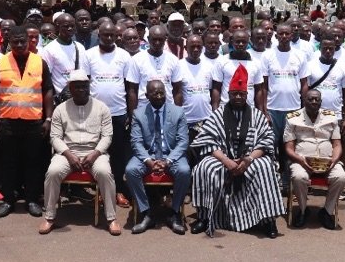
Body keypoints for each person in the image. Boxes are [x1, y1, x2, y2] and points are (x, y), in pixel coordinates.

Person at [190, 65, 283, 238]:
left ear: (247, 95)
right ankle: (204, 216)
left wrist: (248, 159)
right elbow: (205, 140)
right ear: (229, 95)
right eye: (235, 94)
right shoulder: (217, 114)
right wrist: (227, 161)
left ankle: (268, 220)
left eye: (241, 94)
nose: (238, 97)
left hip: (250, 159)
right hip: (223, 159)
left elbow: (267, 140)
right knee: (204, 167)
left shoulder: (257, 115)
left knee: (265, 167)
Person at [40, 70, 117, 235]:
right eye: (77, 87)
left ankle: (111, 218)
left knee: (105, 172)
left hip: (95, 152)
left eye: (84, 86)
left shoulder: (102, 108)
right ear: (70, 88)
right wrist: (68, 154)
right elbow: (55, 137)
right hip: (68, 152)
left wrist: (95, 153)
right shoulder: (60, 109)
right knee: (52, 172)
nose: (82, 90)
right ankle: (49, 217)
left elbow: (107, 136)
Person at [0, 26, 52, 218]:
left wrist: (48, 119)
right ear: (9, 43)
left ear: (29, 42)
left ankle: (32, 200)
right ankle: (9, 200)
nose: (18, 45)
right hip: (8, 122)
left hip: (33, 121)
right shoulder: (0, 64)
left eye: (22, 41)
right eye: (15, 41)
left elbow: (48, 91)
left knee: (32, 162)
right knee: (8, 163)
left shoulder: (40, 63)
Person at [126, 80, 190, 235]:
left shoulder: (178, 112)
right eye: (155, 93)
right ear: (147, 95)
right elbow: (136, 142)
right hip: (148, 154)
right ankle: (147, 213)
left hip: (170, 154)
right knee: (131, 170)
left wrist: (168, 161)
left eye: (162, 92)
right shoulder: (139, 114)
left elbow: (183, 141)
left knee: (184, 170)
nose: (160, 96)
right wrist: (148, 161)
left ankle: (174, 213)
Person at [82, 21, 133, 208]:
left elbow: (129, 86)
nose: (110, 38)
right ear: (99, 35)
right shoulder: (89, 55)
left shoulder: (124, 56)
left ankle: (118, 189)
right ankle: (101, 192)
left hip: (118, 113)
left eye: (113, 35)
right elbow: (85, 84)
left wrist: (129, 112)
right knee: (97, 153)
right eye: (105, 35)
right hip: (95, 113)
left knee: (118, 154)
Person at [283, 89, 345, 229]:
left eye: (316, 99)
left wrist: (334, 160)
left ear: (321, 101)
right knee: (298, 177)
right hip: (302, 161)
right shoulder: (293, 118)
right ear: (304, 100)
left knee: (341, 177)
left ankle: (327, 211)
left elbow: (337, 145)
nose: (314, 102)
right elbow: (288, 148)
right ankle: (303, 210)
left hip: (328, 160)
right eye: (310, 99)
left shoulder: (331, 117)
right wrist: (301, 161)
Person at [261, 22, 310, 190]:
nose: (283, 36)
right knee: (270, 145)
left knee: (290, 147)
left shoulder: (300, 56)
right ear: (276, 36)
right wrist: (264, 110)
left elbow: (304, 83)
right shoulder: (268, 56)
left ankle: (286, 182)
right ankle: (269, 180)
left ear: (291, 36)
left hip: (294, 109)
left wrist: (303, 107)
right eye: (280, 34)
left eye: (286, 34)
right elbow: (264, 86)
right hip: (273, 109)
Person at [126, 24, 183, 115]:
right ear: (148, 39)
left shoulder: (173, 60)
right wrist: (133, 116)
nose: (157, 43)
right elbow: (132, 91)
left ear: (165, 39)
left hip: (167, 111)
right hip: (144, 111)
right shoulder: (137, 60)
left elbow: (177, 91)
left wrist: (177, 114)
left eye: (160, 39)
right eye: (154, 39)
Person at [40, 13, 87, 100]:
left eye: (72, 26)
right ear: (57, 27)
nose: (70, 28)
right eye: (66, 26)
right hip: (60, 99)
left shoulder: (80, 47)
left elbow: (84, 73)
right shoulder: (49, 50)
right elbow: (46, 78)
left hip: (78, 98)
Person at [177, 34, 214, 139]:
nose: (196, 49)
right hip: (186, 120)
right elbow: (177, 94)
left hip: (206, 119)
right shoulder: (179, 66)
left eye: (199, 46)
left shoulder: (209, 67)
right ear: (185, 48)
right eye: (192, 47)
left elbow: (210, 92)